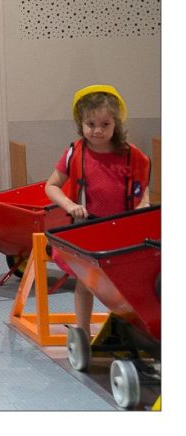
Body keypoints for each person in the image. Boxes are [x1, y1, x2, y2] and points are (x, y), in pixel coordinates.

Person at [44, 84, 151, 339]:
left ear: (116, 124)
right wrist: (70, 206)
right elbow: (51, 186)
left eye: (105, 124)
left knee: (128, 284)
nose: (98, 130)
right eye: (90, 124)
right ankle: (82, 331)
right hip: (86, 230)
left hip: (123, 232)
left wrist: (141, 214)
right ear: (80, 124)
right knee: (86, 282)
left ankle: (128, 329)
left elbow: (142, 195)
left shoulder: (133, 156)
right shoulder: (74, 153)